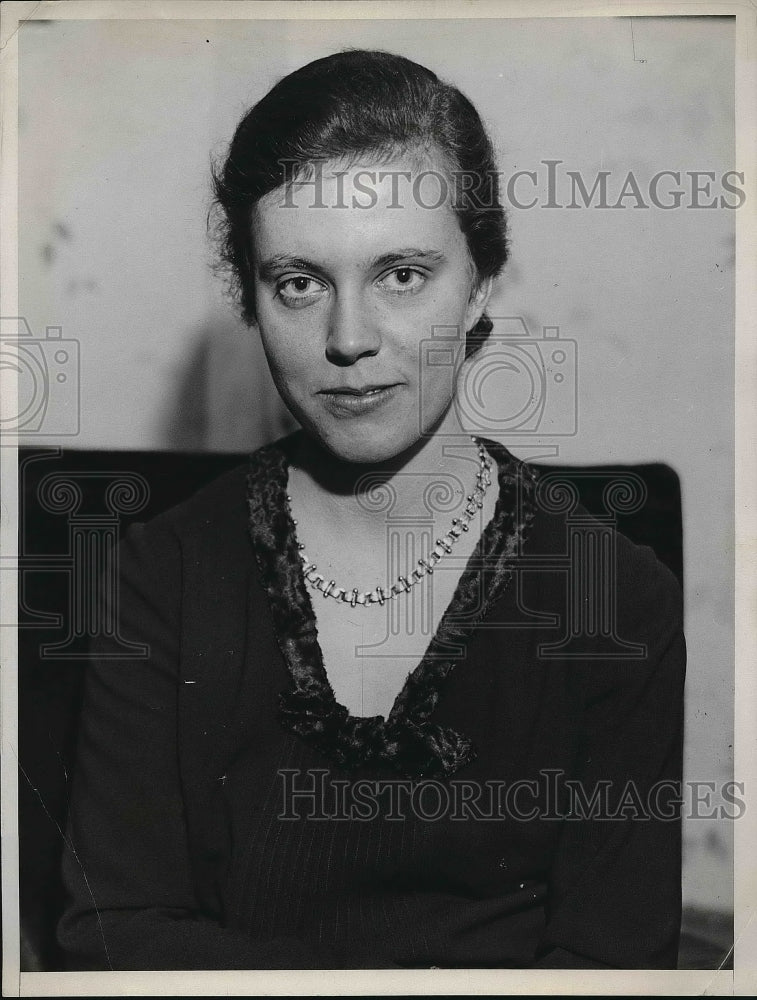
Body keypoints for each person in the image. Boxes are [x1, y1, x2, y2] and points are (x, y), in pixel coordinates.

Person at [57, 49, 686, 970]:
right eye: (299, 283)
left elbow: (613, 965)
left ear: (479, 284)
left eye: (401, 274)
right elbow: (111, 939)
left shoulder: (616, 600)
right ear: (252, 298)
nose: (347, 340)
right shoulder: (158, 579)